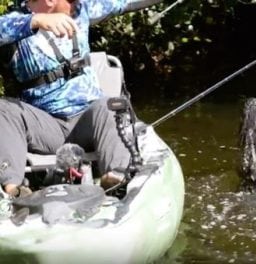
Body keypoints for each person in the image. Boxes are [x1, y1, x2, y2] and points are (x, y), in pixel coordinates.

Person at [0, 0, 162, 197]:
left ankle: (116, 178)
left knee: (111, 104)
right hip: (47, 127)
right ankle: (13, 191)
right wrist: (36, 21)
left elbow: (126, 1)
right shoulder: (16, 20)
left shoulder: (82, 9)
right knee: (4, 108)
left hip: (90, 120)